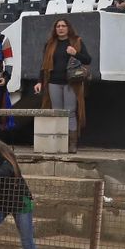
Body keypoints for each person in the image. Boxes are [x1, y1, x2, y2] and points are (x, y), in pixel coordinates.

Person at [33, 18, 90, 150]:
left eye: (63, 26)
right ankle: (59, 142)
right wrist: (39, 81)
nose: (60, 28)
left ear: (68, 28)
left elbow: (88, 59)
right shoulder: (50, 43)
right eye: (58, 26)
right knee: (57, 113)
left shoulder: (76, 41)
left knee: (70, 112)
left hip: (71, 82)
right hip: (53, 82)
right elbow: (44, 65)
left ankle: (72, 143)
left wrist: (75, 53)